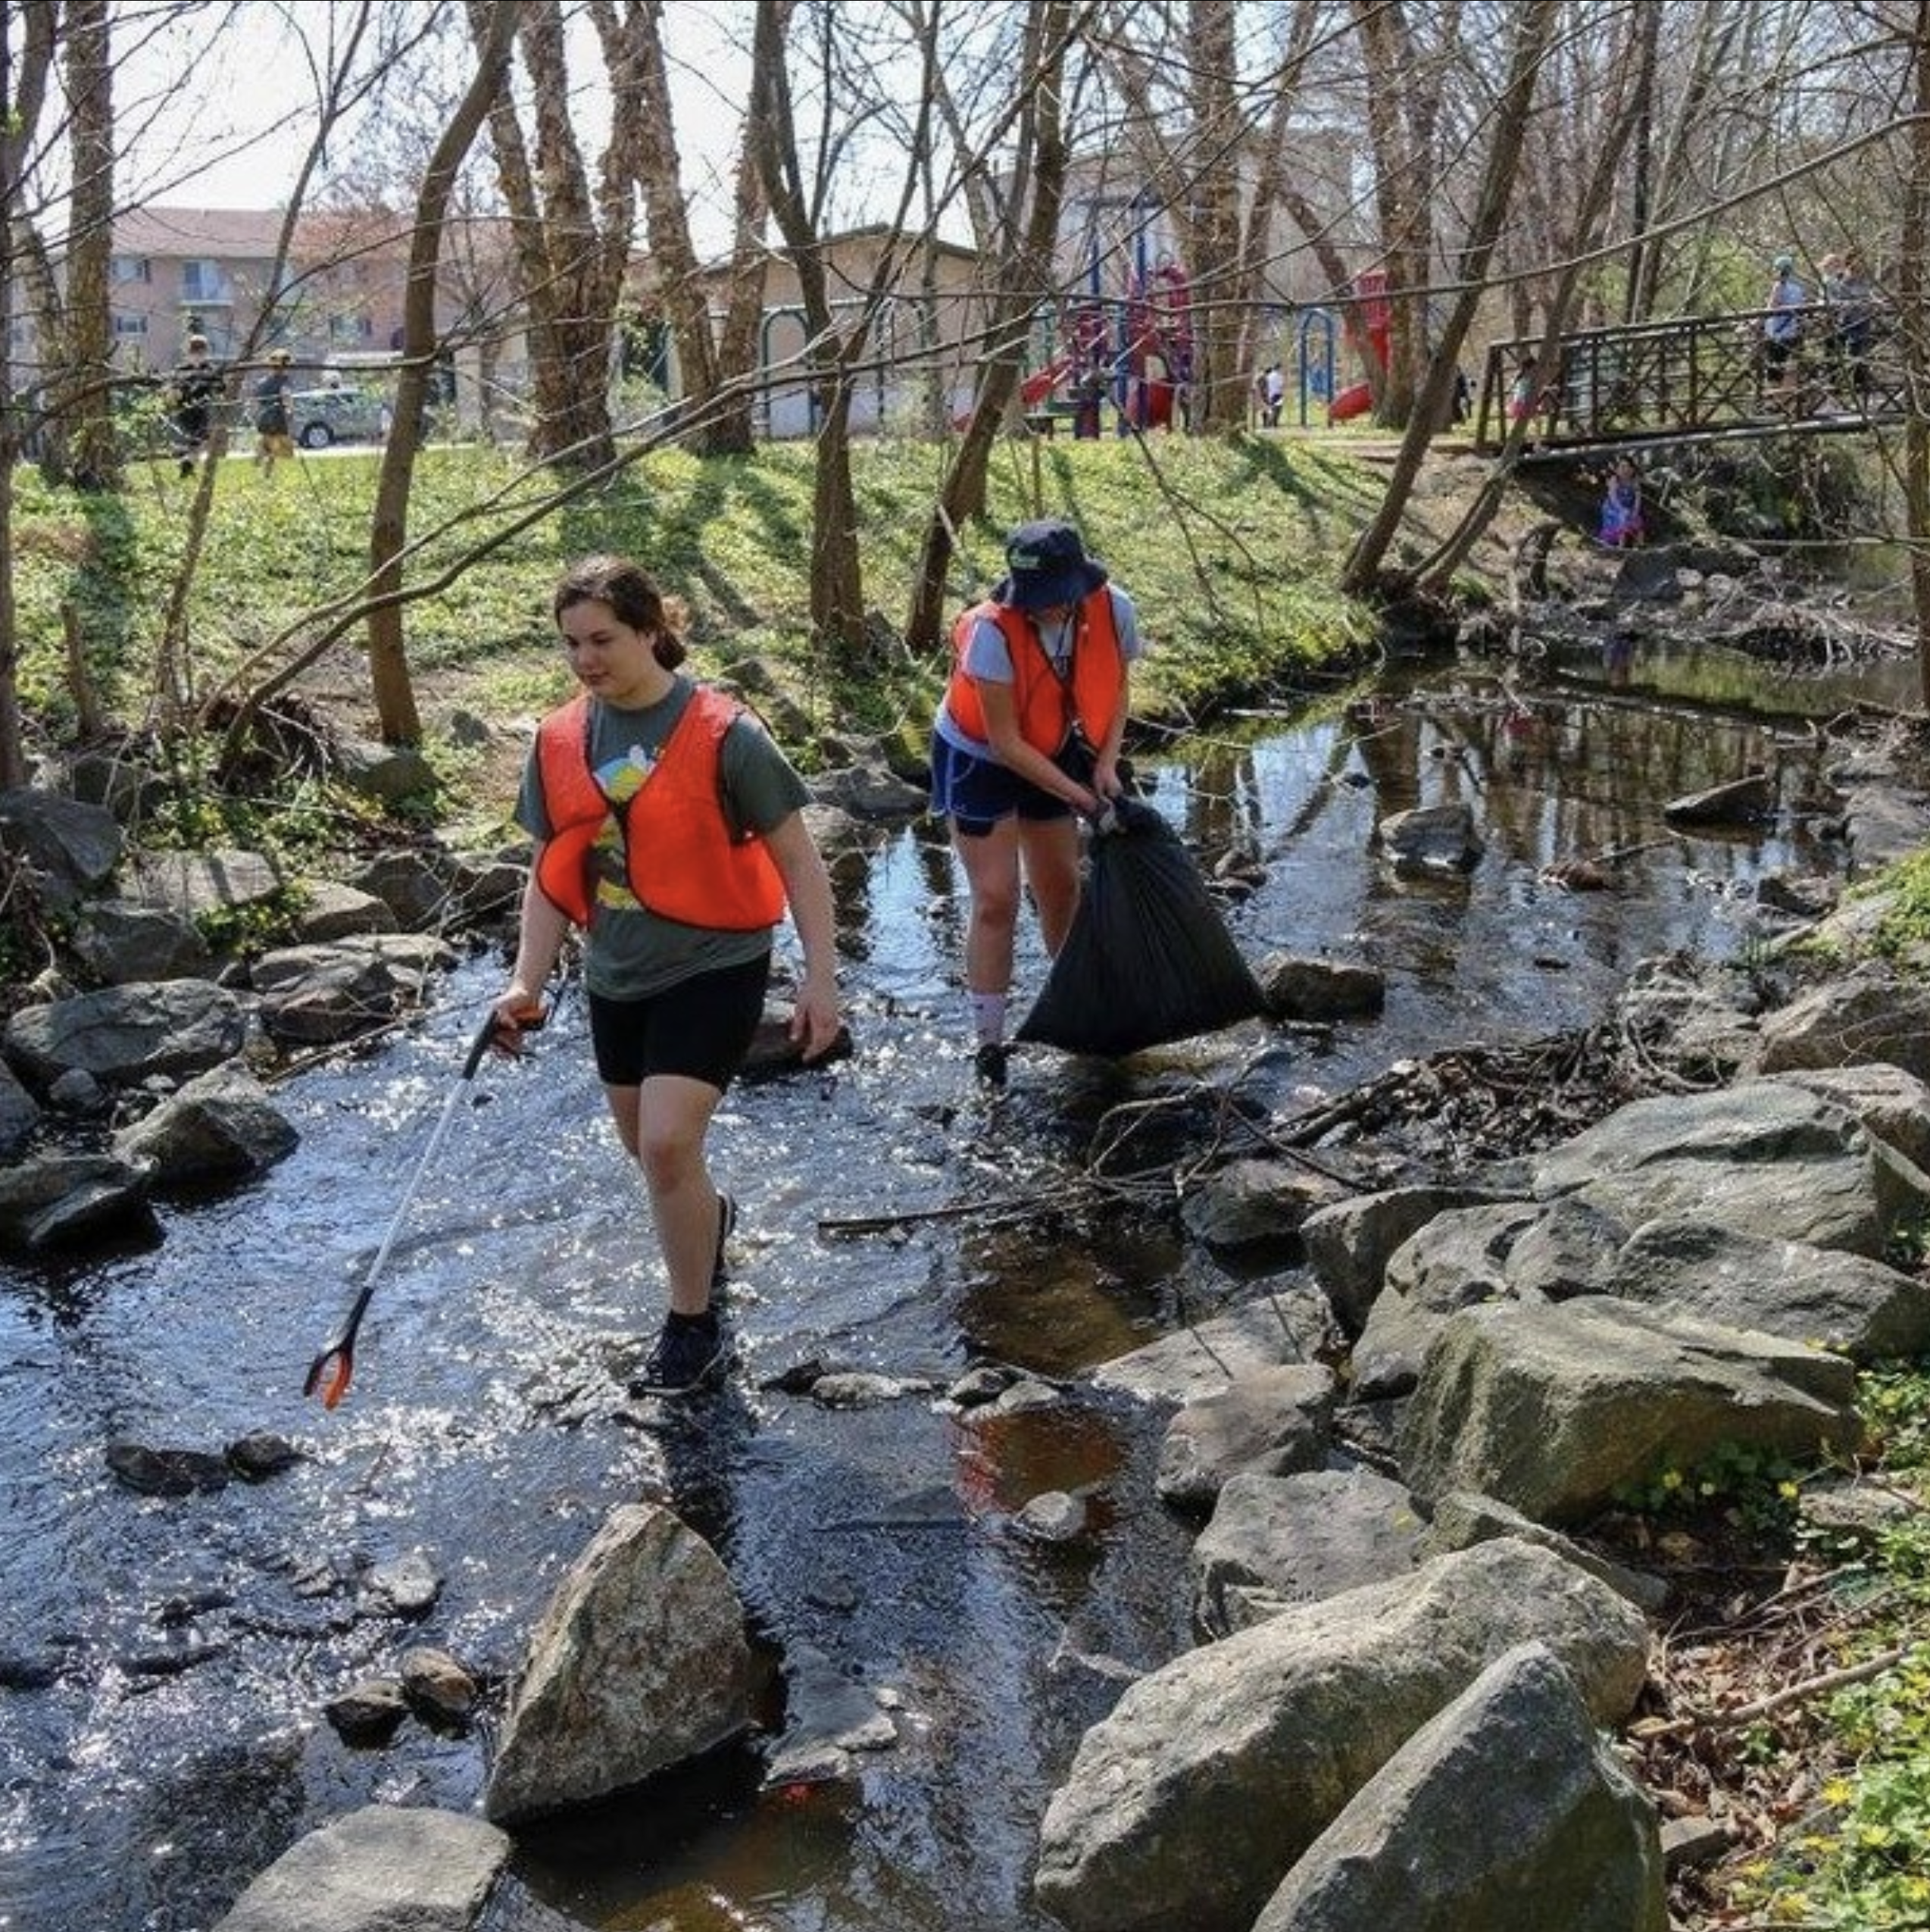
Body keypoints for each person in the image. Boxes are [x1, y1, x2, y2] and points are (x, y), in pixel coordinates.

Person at [492, 555, 842, 1396]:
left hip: (715, 963)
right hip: (616, 974)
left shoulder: (729, 737)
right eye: (572, 643)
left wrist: (820, 982)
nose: (586, 659)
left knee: (667, 1141)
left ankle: (693, 1326)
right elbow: (549, 876)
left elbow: (800, 863)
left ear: (652, 631)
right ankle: (710, 1221)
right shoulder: (557, 741)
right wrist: (524, 985)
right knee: (655, 1163)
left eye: (603, 639)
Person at [929, 518, 1141, 1088]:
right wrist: (1084, 801)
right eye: (1035, 601)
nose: (1046, 610)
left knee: (1061, 887)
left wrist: (1103, 765)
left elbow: (1116, 691)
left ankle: (1078, 1017)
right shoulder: (991, 634)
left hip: (1055, 744)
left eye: (1056, 600)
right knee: (996, 898)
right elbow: (1005, 743)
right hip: (981, 755)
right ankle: (989, 1044)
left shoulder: (1115, 610)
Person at [166, 333, 222, 478]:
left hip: (192, 411)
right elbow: (221, 388)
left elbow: (221, 388)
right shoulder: (201, 369)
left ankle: (187, 466)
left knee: (195, 442)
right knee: (196, 442)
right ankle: (187, 463)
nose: (199, 354)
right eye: (199, 351)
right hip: (192, 411)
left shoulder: (187, 369)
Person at [1763, 252, 1807, 410]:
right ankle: (1788, 402)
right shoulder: (1798, 287)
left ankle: (1774, 403)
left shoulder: (1779, 286)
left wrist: (1752, 324)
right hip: (1792, 331)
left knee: (1774, 367)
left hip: (1777, 333)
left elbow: (1771, 308)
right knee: (1790, 368)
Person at [252, 347, 295, 476]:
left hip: (263, 417)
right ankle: (266, 473)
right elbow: (286, 397)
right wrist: (290, 411)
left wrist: (256, 415)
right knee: (274, 449)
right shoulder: (285, 381)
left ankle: (259, 464)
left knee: (266, 442)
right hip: (278, 418)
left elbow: (256, 401)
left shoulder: (262, 382)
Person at [1597, 456, 1644, 548]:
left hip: (1628, 508)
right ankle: (1621, 545)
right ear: (1617, 470)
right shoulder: (1614, 480)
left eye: (1627, 467)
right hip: (1612, 508)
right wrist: (1621, 510)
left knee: (1638, 521)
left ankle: (1639, 544)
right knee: (1622, 519)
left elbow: (1638, 499)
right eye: (1622, 467)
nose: (1625, 470)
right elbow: (1613, 498)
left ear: (1632, 469)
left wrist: (1635, 510)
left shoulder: (1635, 481)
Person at [1259, 362, 1285, 429]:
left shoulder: (1269, 376)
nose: (1282, 370)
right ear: (1279, 368)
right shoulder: (1279, 376)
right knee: (1277, 409)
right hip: (1277, 394)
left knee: (1269, 409)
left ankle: (1267, 424)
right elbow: (1281, 385)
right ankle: (1273, 423)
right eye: (1282, 368)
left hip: (1269, 394)